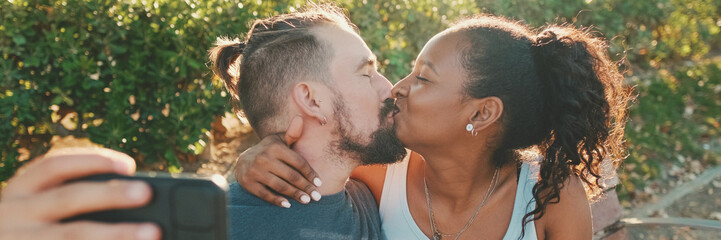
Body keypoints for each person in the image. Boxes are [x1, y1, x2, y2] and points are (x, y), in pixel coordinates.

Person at [233, 14, 632, 240]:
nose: (396, 88)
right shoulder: (376, 174)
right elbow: (321, 151)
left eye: (423, 78)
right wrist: (254, 155)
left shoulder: (550, 196)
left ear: (481, 114)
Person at [208, 4, 406, 240]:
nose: (390, 89)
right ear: (312, 101)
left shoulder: (369, 198)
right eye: (366, 74)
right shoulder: (214, 227)